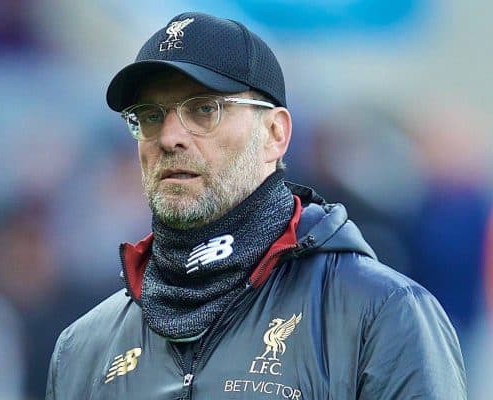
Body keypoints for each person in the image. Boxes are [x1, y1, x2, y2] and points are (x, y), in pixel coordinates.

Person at [45, 12, 466, 399]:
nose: (169, 136)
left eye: (204, 109)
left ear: (275, 134)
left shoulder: (380, 313)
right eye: (150, 115)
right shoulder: (83, 349)